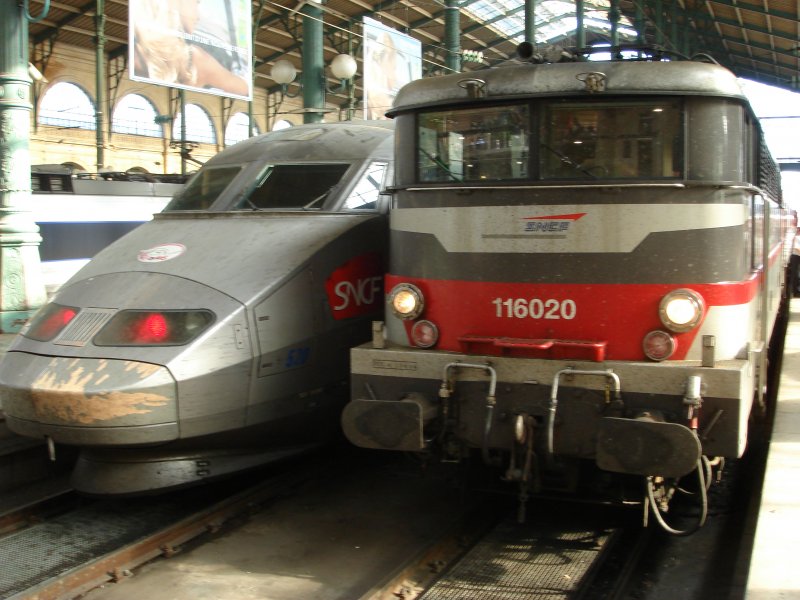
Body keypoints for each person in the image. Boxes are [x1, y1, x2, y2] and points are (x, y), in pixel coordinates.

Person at [132, 0, 248, 97]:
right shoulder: (195, 59)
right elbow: (243, 88)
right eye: (197, 2)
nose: (198, 16)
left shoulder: (137, 52)